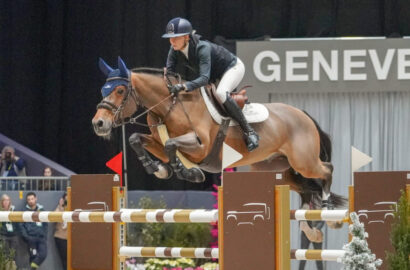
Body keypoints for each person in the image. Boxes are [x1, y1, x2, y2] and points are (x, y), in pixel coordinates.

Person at [162, 17, 259, 151]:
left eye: (175, 37)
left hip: (232, 67)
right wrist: (167, 80)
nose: (171, 41)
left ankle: (250, 132)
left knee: (221, 93)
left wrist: (184, 86)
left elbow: (203, 79)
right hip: (214, 74)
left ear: (186, 37)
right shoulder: (174, 49)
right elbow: (170, 72)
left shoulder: (202, 47)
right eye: (170, 37)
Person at [0, 194, 30, 269]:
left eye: (8, 200)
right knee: (5, 253)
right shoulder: (0, 210)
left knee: (13, 254)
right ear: (2, 202)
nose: (6, 202)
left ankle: (12, 267)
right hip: (3, 235)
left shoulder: (13, 210)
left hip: (14, 235)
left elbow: (18, 223)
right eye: (4, 200)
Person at [20, 192, 48, 270]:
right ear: (27, 201)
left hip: (41, 237)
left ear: (36, 199)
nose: (30, 201)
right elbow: (21, 225)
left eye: (32, 199)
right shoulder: (24, 211)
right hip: (31, 238)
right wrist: (26, 237)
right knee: (33, 255)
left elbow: (45, 224)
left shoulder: (41, 209)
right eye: (28, 199)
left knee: (43, 254)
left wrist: (44, 234)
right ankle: (33, 267)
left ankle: (32, 266)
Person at [54, 193, 67, 270]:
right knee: (65, 260)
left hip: (74, 238)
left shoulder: (76, 208)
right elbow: (54, 218)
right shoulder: (60, 208)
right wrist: (60, 206)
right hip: (61, 237)